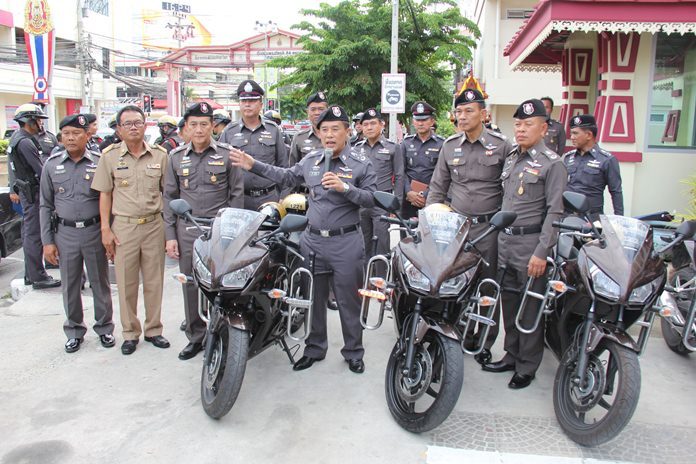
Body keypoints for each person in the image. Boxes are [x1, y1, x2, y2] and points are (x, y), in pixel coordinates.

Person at [230, 105, 377, 374]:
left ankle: (354, 352)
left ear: (347, 131)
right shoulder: (311, 161)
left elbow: (371, 199)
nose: (329, 135)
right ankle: (314, 348)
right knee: (313, 299)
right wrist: (254, 165)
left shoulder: (360, 163)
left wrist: (346, 188)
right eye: (324, 130)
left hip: (346, 243)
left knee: (349, 301)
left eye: (335, 129)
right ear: (318, 133)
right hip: (313, 242)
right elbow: (286, 175)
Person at [482, 98, 566, 389]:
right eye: (517, 124)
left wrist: (542, 252)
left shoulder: (553, 164)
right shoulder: (512, 158)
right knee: (508, 301)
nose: (520, 129)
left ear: (543, 129)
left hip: (531, 244)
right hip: (505, 242)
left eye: (528, 124)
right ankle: (511, 354)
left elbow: (555, 212)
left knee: (530, 306)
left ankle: (527, 365)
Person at [427, 89, 513, 366]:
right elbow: (438, 187)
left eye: (468, 111)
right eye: (459, 112)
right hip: (457, 228)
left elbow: (511, 190)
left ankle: (484, 341)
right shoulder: (450, 145)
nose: (462, 116)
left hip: (489, 229)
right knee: (454, 282)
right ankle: (456, 334)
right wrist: (431, 222)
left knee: (487, 287)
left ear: (484, 114)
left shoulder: (502, 145)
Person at [164, 102, 245, 360]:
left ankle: (220, 334)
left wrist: (234, 233)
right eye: (193, 125)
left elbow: (237, 195)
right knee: (190, 283)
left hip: (218, 229)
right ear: (186, 128)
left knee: (220, 285)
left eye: (204, 124)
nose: (199, 130)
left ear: (213, 126)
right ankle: (196, 336)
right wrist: (170, 236)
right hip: (187, 229)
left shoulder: (228, 154)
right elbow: (169, 198)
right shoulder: (175, 157)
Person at [91, 105, 170, 356]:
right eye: (128, 124)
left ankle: (154, 329)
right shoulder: (109, 156)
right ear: (119, 129)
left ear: (146, 125)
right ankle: (130, 333)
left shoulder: (160, 155)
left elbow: (168, 193)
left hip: (154, 225)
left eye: (138, 122)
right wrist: (105, 229)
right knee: (126, 282)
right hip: (124, 227)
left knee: (154, 281)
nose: (133, 127)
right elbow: (105, 194)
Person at [39, 114, 115, 353]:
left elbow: (109, 199)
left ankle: (104, 328)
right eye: (66, 134)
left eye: (76, 133)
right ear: (61, 137)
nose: (71, 138)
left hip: (94, 231)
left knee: (100, 282)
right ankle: (74, 330)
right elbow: (45, 205)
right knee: (70, 285)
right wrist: (47, 241)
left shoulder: (99, 162)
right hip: (65, 233)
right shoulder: (51, 165)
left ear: (87, 136)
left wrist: (109, 233)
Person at [6, 103, 61, 289]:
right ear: (29, 121)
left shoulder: (18, 138)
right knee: (35, 234)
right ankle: (37, 276)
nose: (40, 123)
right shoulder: (25, 142)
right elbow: (41, 170)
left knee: (30, 233)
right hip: (32, 193)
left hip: (27, 191)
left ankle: (32, 274)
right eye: (38, 120)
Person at [219, 79, 288, 210]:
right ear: (239, 104)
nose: (247, 104)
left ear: (261, 104)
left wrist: (283, 196)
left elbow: (283, 166)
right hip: (240, 200)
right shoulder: (229, 131)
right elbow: (221, 166)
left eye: (252, 101)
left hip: (269, 198)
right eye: (244, 101)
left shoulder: (273, 130)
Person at [355, 108, 404, 259]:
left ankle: (381, 274)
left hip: (382, 204)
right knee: (362, 246)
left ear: (382, 124)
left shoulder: (392, 148)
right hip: (361, 203)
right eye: (365, 124)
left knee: (382, 245)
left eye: (373, 123)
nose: (369, 127)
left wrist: (396, 206)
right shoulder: (356, 149)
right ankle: (364, 274)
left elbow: (399, 176)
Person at [564, 114, 624, 218]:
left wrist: (619, 220)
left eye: (575, 133)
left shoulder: (607, 160)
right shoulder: (567, 157)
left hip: (592, 218)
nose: (571, 137)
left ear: (589, 135)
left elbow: (616, 192)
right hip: (567, 216)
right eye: (571, 133)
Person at [400, 101, 444, 222]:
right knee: (407, 232)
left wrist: (426, 194)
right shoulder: (406, 143)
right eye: (417, 120)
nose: (420, 123)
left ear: (432, 121)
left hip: (432, 199)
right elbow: (400, 171)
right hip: (409, 200)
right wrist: (408, 192)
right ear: (413, 122)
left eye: (424, 120)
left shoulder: (442, 144)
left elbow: (442, 175)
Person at [289, 92, 328, 166]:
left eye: (321, 109)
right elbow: (293, 168)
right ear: (307, 112)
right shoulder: (299, 138)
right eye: (313, 109)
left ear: (327, 111)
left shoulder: (339, 137)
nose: (317, 113)